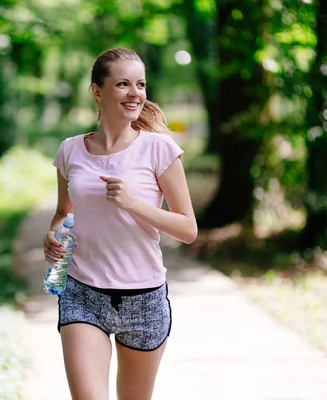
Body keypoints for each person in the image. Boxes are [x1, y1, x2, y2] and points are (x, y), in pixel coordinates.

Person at [42, 47, 198, 400]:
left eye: (140, 84)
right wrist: (52, 235)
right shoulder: (70, 150)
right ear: (98, 91)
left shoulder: (159, 149)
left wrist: (134, 204)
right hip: (83, 292)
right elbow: (63, 213)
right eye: (123, 84)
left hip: (144, 297)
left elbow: (188, 229)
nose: (135, 93)